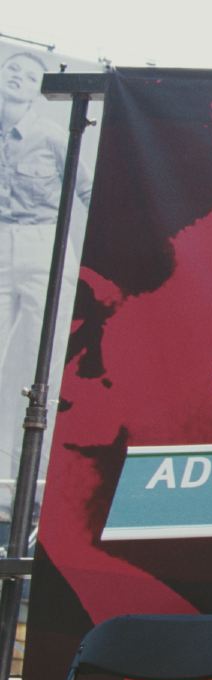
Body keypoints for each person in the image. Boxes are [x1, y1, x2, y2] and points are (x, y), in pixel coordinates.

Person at [0, 50, 91, 518]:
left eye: (28, 73)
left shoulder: (52, 135)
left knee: (42, 364)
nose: (17, 77)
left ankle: (33, 483)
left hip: (42, 244)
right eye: (10, 69)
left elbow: (90, 191)